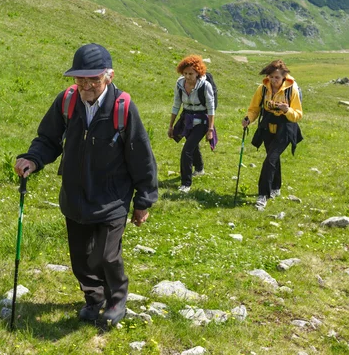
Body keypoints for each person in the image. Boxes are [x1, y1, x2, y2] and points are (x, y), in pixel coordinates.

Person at [14, 43, 158, 326]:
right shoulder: (66, 102)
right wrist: (33, 159)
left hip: (112, 199)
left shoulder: (123, 108)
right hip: (75, 195)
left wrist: (144, 200)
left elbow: (142, 156)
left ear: (109, 76)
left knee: (106, 255)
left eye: (93, 78)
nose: (86, 85)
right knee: (80, 259)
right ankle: (94, 298)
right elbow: (48, 139)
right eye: (80, 78)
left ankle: (117, 301)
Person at [241, 59, 303, 209]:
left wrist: (286, 110)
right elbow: (254, 108)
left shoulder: (291, 90)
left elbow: (298, 114)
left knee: (269, 160)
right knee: (273, 158)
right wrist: (248, 119)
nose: (274, 80)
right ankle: (276, 187)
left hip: (286, 128)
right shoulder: (262, 89)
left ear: (284, 77)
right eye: (271, 76)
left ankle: (263, 195)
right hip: (267, 127)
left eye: (277, 77)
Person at [168, 55, 216, 193]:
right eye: (185, 73)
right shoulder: (179, 84)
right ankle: (200, 169)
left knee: (186, 151)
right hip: (187, 118)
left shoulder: (205, 86)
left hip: (202, 121)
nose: (188, 77)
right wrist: (171, 125)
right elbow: (176, 104)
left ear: (198, 72)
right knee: (192, 144)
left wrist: (210, 129)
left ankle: (186, 183)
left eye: (191, 73)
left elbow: (211, 108)